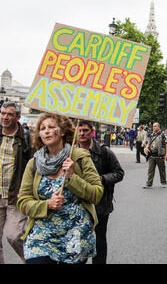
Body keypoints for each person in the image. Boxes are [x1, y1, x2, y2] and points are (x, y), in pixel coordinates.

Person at [17, 113, 103, 264]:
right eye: (43, 129)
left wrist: (72, 177)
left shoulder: (80, 157)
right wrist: (47, 205)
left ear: (62, 132)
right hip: (42, 235)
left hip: (75, 234)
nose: (47, 131)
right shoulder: (34, 163)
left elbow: (96, 194)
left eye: (51, 127)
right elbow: (23, 201)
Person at [77, 121, 124, 264]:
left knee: (99, 240)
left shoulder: (104, 151)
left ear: (91, 131)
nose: (81, 133)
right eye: (79, 131)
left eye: (85, 130)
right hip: (78, 204)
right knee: (78, 241)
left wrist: (102, 179)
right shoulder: (70, 151)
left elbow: (119, 173)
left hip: (100, 204)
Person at [0, 101, 32, 263]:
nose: (5, 117)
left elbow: (35, 164)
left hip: (16, 196)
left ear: (17, 117)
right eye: (3, 113)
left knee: (14, 236)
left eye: (9, 114)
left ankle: (33, 260)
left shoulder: (26, 138)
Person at [143, 122, 167, 189]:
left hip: (159, 155)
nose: (153, 127)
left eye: (155, 126)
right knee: (150, 170)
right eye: (153, 126)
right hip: (151, 155)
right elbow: (149, 142)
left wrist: (166, 154)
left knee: (162, 170)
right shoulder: (151, 134)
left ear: (158, 127)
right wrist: (146, 148)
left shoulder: (163, 135)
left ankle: (163, 182)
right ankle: (149, 183)